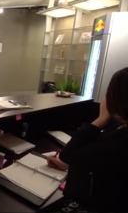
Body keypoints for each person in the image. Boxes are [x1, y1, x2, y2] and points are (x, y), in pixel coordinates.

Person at [46, 67, 128, 212]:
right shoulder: (120, 130)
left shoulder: (121, 139)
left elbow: (67, 154)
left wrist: (100, 119)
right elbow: (108, 166)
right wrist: (74, 165)